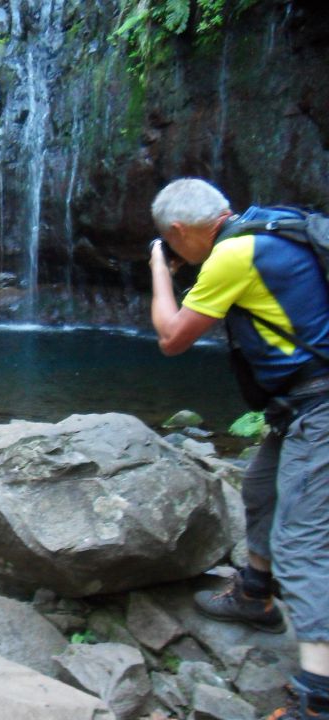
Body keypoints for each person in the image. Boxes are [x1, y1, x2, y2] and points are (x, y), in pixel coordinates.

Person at [149, 177, 329, 720]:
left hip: (319, 410)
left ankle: (317, 698)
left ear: (178, 232)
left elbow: (172, 338)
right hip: (299, 406)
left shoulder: (232, 256)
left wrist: (160, 271)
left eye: (171, 244)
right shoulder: (272, 226)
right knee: (258, 487)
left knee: (302, 545)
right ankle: (254, 593)